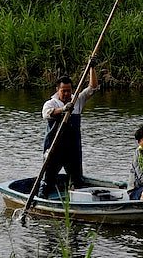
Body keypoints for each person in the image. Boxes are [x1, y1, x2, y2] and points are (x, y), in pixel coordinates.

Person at [36, 68, 98, 198]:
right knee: (48, 179)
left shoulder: (77, 100)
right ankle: (41, 200)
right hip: (54, 148)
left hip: (73, 150)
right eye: (63, 91)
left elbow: (93, 87)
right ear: (57, 90)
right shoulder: (51, 103)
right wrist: (63, 109)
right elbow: (47, 114)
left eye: (69, 91)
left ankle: (79, 202)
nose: (66, 93)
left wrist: (92, 68)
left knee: (77, 180)